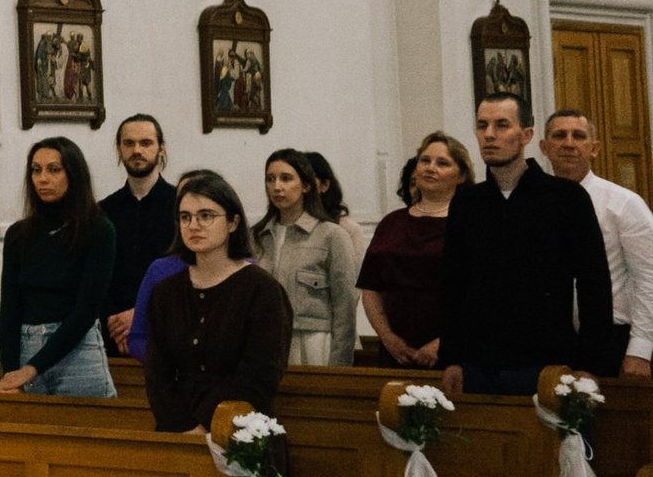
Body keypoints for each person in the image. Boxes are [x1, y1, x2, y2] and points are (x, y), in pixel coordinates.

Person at [437, 91, 613, 396]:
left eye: (502, 125)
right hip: (479, 364)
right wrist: (451, 358)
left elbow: (593, 284)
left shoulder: (566, 198)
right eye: (482, 125)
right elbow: (453, 284)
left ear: (527, 135)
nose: (489, 135)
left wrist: (590, 365)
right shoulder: (467, 202)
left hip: (547, 362)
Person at [140, 170, 294, 433]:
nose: (194, 225)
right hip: (177, 432)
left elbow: (260, 374)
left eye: (206, 216)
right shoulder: (165, 293)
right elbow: (157, 375)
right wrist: (182, 427)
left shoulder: (262, 290)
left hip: (242, 430)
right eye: (185, 217)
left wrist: (204, 425)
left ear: (233, 223)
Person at [0, 138, 118, 397]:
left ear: (73, 174)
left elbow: (86, 310)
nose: (42, 178)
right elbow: (10, 309)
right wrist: (11, 373)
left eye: (53, 169)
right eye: (35, 170)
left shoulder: (98, 229)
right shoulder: (19, 234)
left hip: (78, 350)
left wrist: (32, 368)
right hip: (27, 344)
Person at [541, 108, 653, 381]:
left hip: (613, 338)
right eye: (559, 136)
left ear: (595, 148)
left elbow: (649, 279)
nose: (568, 143)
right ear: (544, 147)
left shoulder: (624, 204)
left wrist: (640, 350)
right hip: (550, 340)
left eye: (578, 136)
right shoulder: (535, 204)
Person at [358, 131, 473, 367]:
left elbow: (482, 294)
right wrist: (388, 337)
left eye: (442, 163)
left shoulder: (471, 223)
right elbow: (370, 287)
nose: (431, 168)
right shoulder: (392, 222)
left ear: (461, 175)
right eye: (425, 160)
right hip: (395, 348)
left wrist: (443, 343)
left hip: (454, 350)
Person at [254, 151, 360, 368]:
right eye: (270, 179)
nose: (276, 187)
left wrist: (339, 365)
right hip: (265, 340)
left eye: (286, 178)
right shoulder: (256, 236)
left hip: (313, 341)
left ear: (306, 186)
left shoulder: (331, 235)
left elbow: (345, 306)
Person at [100, 115, 179, 355]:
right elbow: (97, 275)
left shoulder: (182, 206)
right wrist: (116, 323)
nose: (137, 150)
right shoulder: (103, 211)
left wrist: (140, 315)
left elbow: (187, 271)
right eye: (129, 143)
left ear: (161, 148)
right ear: (119, 149)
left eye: (146, 143)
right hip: (113, 335)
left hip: (169, 329)